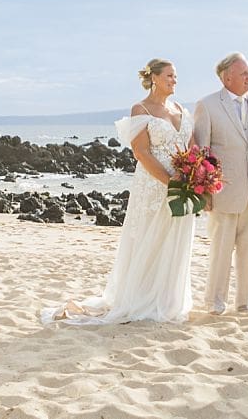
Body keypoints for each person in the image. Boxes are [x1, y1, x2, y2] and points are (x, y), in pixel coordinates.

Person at [41, 59, 196, 324]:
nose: (174, 80)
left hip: (184, 185)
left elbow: (192, 145)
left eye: (176, 76)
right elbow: (141, 152)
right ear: (155, 78)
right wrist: (169, 181)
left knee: (175, 239)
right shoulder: (141, 108)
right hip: (154, 184)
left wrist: (192, 174)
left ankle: (168, 299)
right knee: (150, 238)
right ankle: (142, 297)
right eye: (170, 75)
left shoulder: (181, 109)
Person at [191, 53, 248, 314]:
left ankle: (245, 302)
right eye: (244, 73)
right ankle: (215, 302)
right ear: (226, 77)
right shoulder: (206, 105)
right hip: (223, 192)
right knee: (221, 251)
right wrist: (205, 190)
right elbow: (201, 151)